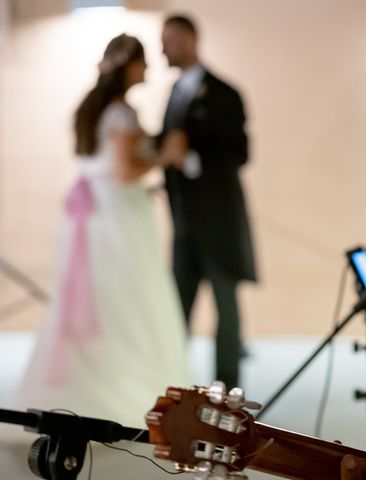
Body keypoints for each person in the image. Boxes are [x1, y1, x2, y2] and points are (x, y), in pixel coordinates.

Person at [6, 33, 192, 431]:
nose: (148, 68)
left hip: (92, 217)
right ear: (128, 66)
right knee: (128, 303)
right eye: (142, 61)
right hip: (119, 218)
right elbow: (126, 171)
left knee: (97, 303)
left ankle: (86, 385)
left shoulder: (93, 110)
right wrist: (167, 155)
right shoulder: (121, 112)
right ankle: (128, 390)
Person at [159, 14, 257, 389]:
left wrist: (191, 158)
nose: (162, 49)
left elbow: (240, 152)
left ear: (188, 39)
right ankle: (173, 385)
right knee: (177, 310)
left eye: (168, 40)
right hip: (184, 224)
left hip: (219, 224)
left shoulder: (224, 93)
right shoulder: (174, 92)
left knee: (225, 308)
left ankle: (227, 388)